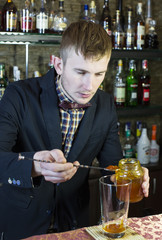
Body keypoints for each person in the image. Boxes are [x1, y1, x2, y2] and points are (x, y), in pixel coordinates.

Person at [0, 20, 149, 240]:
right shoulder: (18, 95)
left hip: (75, 224)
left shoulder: (106, 104)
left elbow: (112, 166)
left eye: (99, 74)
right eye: (81, 72)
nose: (90, 86)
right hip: (23, 225)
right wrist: (34, 166)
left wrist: (130, 174)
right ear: (58, 65)